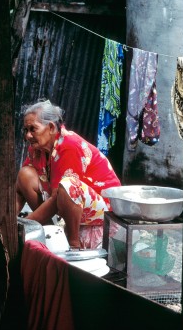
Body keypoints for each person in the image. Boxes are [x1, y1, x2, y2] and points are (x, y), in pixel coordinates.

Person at [16, 100, 121, 249]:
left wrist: (26, 224)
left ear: (51, 127)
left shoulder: (69, 145)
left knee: (68, 186)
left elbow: (59, 195)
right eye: (26, 130)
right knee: (24, 175)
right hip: (69, 199)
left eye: (33, 129)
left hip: (103, 203)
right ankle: (48, 229)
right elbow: (19, 189)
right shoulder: (37, 149)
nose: (28, 135)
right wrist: (8, 222)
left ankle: (73, 244)